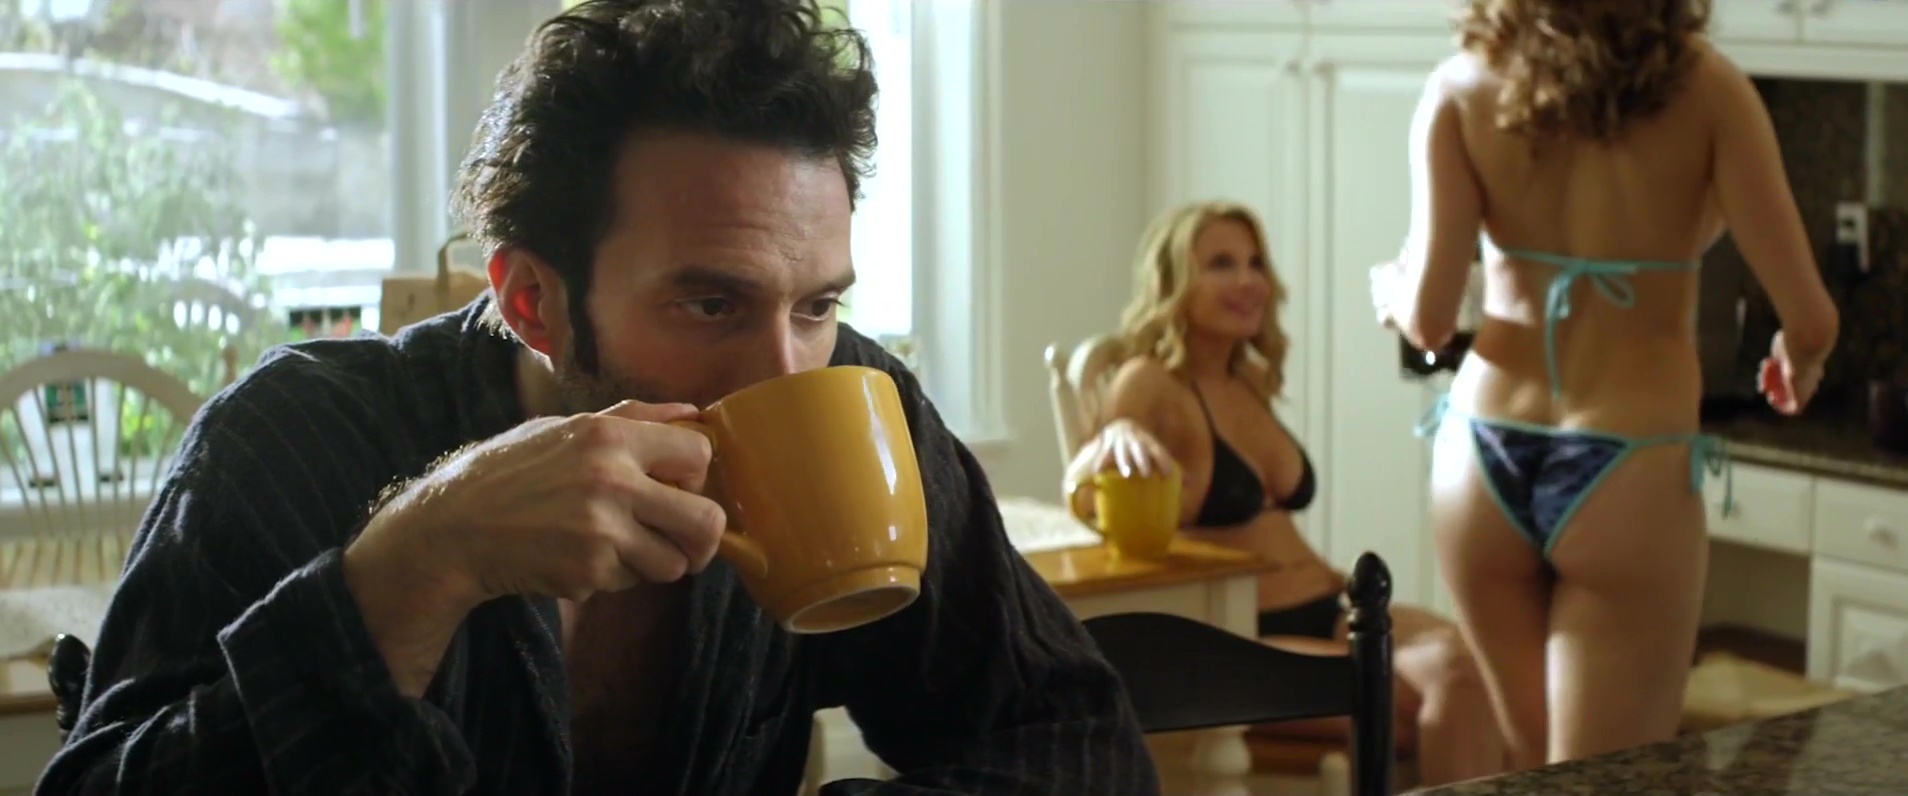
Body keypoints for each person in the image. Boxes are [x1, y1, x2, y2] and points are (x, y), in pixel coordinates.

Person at [36, 1, 1160, 794]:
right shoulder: (294, 442)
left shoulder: (860, 404)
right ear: (533, 300)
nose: (785, 372)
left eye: (817, 303)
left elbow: (1078, 743)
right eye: (711, 303)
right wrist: (413, 566)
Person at [1371, 0, 1840, 769]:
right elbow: (1812, 318)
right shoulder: (1711, 90)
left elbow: (1427, 320)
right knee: (1606, 780)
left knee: (1532, 769)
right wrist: (1801, 361)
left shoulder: (1459, 86)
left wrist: (1390, 290)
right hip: (1629, 459)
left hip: (1481, 452)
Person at [1063, 200, 1506, 786]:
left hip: (1334, 607)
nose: (1248, 281)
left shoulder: (1247, 377)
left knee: (1484, 667)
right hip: (1247, 634)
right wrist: (1112, 435)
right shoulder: (1148, 380)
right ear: (1173, 281)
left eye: (1255, 263)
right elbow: (1089, 496)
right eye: (1221, 264)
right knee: (1450, 684)